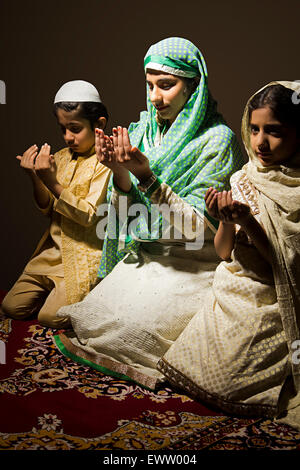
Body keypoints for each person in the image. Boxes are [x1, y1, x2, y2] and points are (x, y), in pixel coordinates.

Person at [55, 37, 244, 388]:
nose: (155, 97)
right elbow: (126, 216)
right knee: (92, 318)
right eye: (150, 85)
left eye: (167, 85)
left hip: (193, 260)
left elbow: (199, 229)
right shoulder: (142, 132)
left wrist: (146, 175)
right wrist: (119, 172)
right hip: (147, 253)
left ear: (194, 84)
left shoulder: (218, 141)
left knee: (133, 334)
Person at [159, 81, 300, 426]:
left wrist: (249, 223)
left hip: (273, 297)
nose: (260, 142)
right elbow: (224, 253)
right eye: (254, 130)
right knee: (197, 367)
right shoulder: (244, 178)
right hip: (234, 287)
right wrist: (225, 220)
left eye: (274, 131)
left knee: (234, 378)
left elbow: (287, 265)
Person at [1, 80, 111, 329]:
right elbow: (47, 209)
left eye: (75, 128)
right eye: (63, 129)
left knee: (49, 318)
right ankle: (56, 292)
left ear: (99, 125)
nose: (67, 137)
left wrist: (50, 180)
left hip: (84, 256)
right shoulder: (60, 157)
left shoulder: (106, 161)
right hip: (52, 253)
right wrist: (35, 177)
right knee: (12, 307)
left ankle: (87, 297)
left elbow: (88, 215)